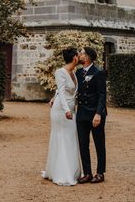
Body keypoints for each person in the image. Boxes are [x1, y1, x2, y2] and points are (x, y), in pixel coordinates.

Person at [42, 48, 81, 186]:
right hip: (61, 110)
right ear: (74, 58)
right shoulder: (60, 72)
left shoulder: (74, 73)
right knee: (62, 137)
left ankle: (72, 170)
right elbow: (62, 92)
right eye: (78, 55)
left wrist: (53, 97)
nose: (80, 57)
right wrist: (66, 110)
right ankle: (61, 173)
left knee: (70, 137)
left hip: (71, 108)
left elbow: (60, 89)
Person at [75, 46, 107, 184]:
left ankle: (100, 173)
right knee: (83, 144)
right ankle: (87, 173)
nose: (79, 55)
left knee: (99, 144)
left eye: (81, 53)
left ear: (87, 57)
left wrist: (98, 114)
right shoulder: (78, 72)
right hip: (81, 113)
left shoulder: (98, 72)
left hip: (95, 114)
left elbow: (102, 95)